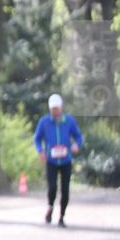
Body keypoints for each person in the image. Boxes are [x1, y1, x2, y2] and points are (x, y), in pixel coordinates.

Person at [33, 93, 84, 228]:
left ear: (61, 107)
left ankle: (62, 216)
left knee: (65, 189)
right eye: (53, 108)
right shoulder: (44, 122)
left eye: (57, 108)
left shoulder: (69, 121)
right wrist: (41, 151)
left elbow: (78, 136)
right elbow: (37, 138)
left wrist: (76, 145)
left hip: (66, 160)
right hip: (51, 160)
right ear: (50, 108)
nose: (55, 111)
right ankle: (50, 207)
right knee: (52, 188)